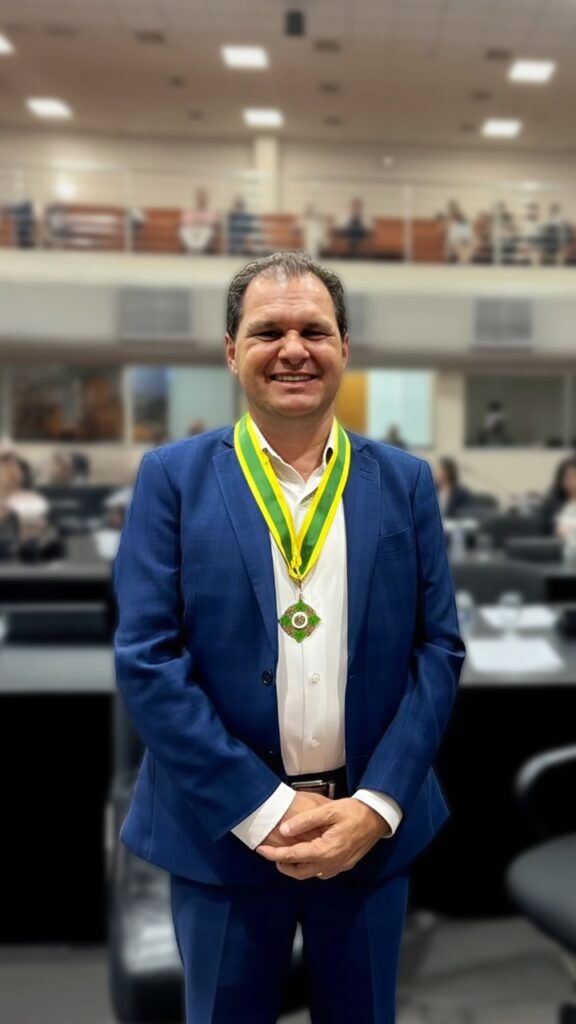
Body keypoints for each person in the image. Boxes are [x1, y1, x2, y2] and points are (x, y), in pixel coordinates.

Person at [113, 251, 465, 1024]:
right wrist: (264, 808)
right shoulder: (172, 477)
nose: (294, 349)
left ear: (345, 347)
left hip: (367, 832)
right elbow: (147, 657)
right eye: (268, 331)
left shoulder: (404, 481)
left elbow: (438, 650)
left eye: (315, 330)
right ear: (231, 351)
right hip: (222, 832)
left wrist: (375, 805)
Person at [539, 456, 576, 537]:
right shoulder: (552, 504)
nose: (572, 481)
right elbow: (545, 531)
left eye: (574, 476)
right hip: (559, 543)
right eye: (568, 477)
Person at [179, 187, 220, 254]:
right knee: (183, 230)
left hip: (204, 230)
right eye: (200, 197)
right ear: (196, 198)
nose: (201, 199)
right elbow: (184, 221)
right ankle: (191, 249)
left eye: (203, 197)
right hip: (192, 229)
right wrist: (198, 221)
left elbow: (213, 223)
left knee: (208, 231)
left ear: (206, 199)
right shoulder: (189, 211)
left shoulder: (212, 212)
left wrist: (199, 221)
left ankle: (199, 250)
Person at [444, 200, 475, 264]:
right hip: (453, 240)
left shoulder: (462, 218)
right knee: (457, 248)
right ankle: (461, 261)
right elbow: (445, 230)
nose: (452, 211)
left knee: (466, 249)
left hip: (462, 239)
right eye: (451, 209)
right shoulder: (449, 218)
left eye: (454, 208)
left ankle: (462, 261)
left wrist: (465, 239)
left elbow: (467, 231)